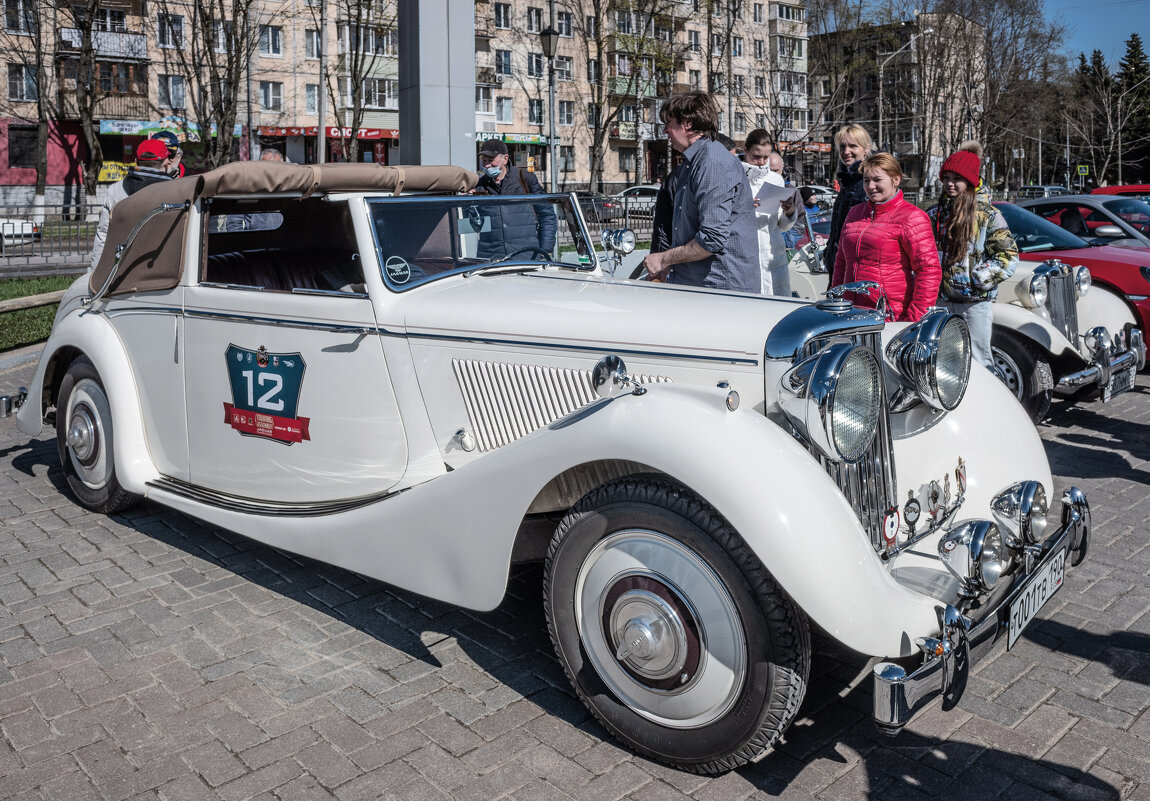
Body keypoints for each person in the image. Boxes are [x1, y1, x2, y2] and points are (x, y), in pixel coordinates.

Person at [639, 92, 758, 292]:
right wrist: (668, 264)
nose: (666, 130)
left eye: (669, 122)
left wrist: (663, 258)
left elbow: (711, 239)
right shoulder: (693, 162)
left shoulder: (712, 162)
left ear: (687, 123)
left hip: (720, 293)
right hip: (701, 288)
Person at [930, 147, 1018, 369]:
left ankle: (988, 403)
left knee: (978, 360)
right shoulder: (935, 214)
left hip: (973, 304)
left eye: (957, 179)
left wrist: (977, 280)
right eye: (946, 178)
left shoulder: (988, 215)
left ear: (970, 181)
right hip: (940, 302)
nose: (950, 183)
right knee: (944, 360)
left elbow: (1007, 256)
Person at [832, 152, 940, 322]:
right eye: (866, 180)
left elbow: (928, 270)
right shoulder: (855, 213)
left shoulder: (912, 217)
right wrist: (836, 303)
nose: (870, 186)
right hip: (850, 314)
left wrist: (915, 319)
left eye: (877, 180)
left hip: (890, 316)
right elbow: (841, 262)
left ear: (895, 179)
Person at [89, 139, 175, 270]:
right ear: (166, 162)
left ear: (136, 160)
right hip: (163, 268)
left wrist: (94, 272)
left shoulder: (115, 190)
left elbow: (103, 234)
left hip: (123, 268)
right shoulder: (177, 191)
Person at [472, 139, 557, 260]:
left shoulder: (525, 179)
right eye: (484, 160)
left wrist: (546, 247)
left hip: (526, 255)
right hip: (490, 258)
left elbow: (547, 215)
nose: (486, 165)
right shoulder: (479, 185)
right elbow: (474, 225)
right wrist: (468, 204)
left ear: (505, 158)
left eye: (491, 160)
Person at [742, 128, 797, 296]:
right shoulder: (735, 177)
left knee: (777, 304)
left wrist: (789, 212)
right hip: (746, 252)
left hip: (773, 253)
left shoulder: (775, 179)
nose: (761, 162)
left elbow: (781, 226)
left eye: (765, 157)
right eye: (756, 156)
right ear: (745, 151)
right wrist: (744, 207)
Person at [824, 124, 876, 278]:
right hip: (840, 266)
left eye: (853, 146)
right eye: (842, 147)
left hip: (857, 270)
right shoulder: (849, 182)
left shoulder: (868, 183)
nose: (846, 152)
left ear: (866, 148)